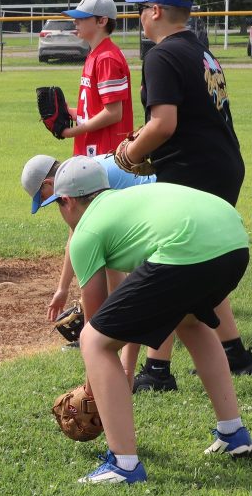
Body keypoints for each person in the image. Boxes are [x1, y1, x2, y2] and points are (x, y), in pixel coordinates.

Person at [38, 156, 251, 483]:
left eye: (57, 205)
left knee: (92, 340)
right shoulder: (124, 203)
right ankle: (234, 435)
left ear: (66, 200)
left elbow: (99, 324)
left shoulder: (85, 233)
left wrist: (93, 388)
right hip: (233, 239)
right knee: (190, 322)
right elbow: (124, 310)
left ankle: (123, 465)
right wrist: (123, 368)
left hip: (188, 245)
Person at [121, 0, 252, 391]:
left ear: (156, 11)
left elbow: (163, 123)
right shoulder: (200, 49)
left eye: (142, 8)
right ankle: (233, 353)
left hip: (194, 172)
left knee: (175, 264)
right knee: (198, 259)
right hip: (222, 164)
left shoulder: (160, 55)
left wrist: (131, 152)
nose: (140, 16)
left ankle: (157, 371)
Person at [21, 153, 156, 374]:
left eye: (44, 197)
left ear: (48, 183)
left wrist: (92, 336)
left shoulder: (85, 180)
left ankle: (110, 339)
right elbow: (75, 237)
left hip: (154, 207)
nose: (49, 204)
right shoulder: (78, 177)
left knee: (135, 287)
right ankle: (111, 334)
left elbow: (85, 242)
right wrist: (62, 289)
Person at [58, 0, 133, 157]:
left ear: (102, 21)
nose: (75, 22)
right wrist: (69, 111)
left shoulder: (107, 58)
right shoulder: (96, 54)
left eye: (82, 18)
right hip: (93, 149)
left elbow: (114, 113)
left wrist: (73, 131)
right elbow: (94, 110)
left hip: (105, 152)